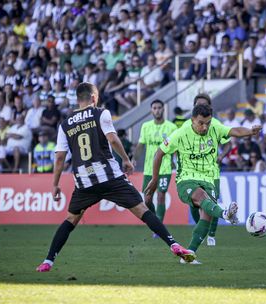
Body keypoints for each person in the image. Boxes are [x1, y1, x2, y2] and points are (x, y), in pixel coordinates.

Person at [36, 82, 194, 272]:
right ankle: (173, 244)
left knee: (70, 220)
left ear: (78, 99)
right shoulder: (101, 113)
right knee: (143, 211)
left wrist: (55, 184)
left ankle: (48, 261)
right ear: (94, 98)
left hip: (85, 182)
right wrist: (126, 160)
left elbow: (60, 157)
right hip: (110, 177)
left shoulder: (65, 124)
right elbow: (112, 138)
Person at [146, 104, 261, 264]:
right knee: (201, 197)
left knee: (206, 215)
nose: (205, 126)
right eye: (201, 123)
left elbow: (234, 131)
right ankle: (224, 214)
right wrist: (155, 179)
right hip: (186, 179)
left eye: (207, 122)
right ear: (192, 120)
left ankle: (190, 254)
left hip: (209, 178)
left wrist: (250, 131)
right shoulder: (180, 134)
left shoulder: (215, 127)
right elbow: (159, 153)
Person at [182, 93, 231, 247]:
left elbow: (228, 143)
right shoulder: (187, 125)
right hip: (193, 173)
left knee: (212, 202)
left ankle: (211, 234)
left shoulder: (216, 124)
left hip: (211, 173)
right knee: (194, 204)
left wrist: (221, 156)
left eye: (203, 104)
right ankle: (201, 229)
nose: (200, 106)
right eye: (197, 104)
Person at [133, 99, 177, 233]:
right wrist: (134, 158)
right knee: (147, 199)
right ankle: (155, 220)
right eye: (154, 108)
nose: (157, 110)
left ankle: (159, 226)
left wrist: (176, 160)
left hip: (164, 168)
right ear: (151, 110)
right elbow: (141, 144)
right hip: (149, 169)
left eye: (159, 108)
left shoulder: (171, 127)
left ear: (164, 109)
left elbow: (175, 147)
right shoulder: (146, 126)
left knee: (161, 195)